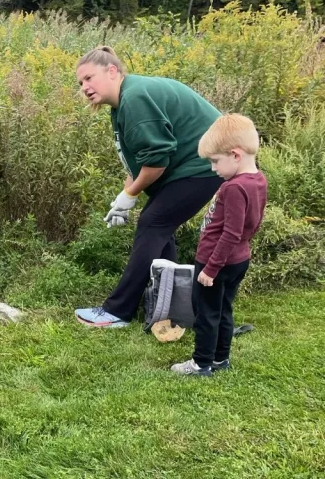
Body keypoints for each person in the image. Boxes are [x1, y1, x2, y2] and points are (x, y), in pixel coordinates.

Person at [74, 46, 223, 327]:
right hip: (192, 167)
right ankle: (172, 308)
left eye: (89, 78)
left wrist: (130, 195)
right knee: (159, 229)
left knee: (153, 223)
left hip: (204, 165)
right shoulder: (123, 103)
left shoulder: (134, 98)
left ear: (112, 71)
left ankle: (118, 311)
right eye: (81, 83)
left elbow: (157, 161)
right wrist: (124, 193)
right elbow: (141, 160)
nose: (84, 87)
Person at [171, 114, 267, 376]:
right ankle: (220, 359)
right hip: (238, 259)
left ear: (235, 155)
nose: (213, 168)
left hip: (217, 261)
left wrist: (210, 269)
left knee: (206, 313)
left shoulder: (233, 188)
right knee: (224, 309)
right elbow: (253, 225)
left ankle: (201, 363)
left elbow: (231, 233)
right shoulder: (258, 181)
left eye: (215, 161)